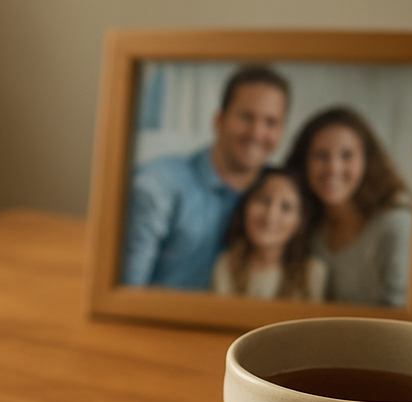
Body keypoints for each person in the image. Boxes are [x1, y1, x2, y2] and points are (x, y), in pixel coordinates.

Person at [122, 65, 290, 290]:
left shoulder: (283, 200)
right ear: (219, 120)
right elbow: (126, 293)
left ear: (281, 132)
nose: (257, 133)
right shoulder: (157, 185)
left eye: (271, 122)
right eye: (246, 117)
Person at [284, 106, 412, 307]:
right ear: (304, 162)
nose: (334, 168)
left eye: (347, 155)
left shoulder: (396, 224)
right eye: (321, 155)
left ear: (367, 161)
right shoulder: (302, 225)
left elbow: (403, 310)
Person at [212, 167, 326, 301]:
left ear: (300, 222)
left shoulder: (313, 274)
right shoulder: (225, 265)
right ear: (245, 206)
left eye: (286, 207)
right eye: (263, 200)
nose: (270, 216)